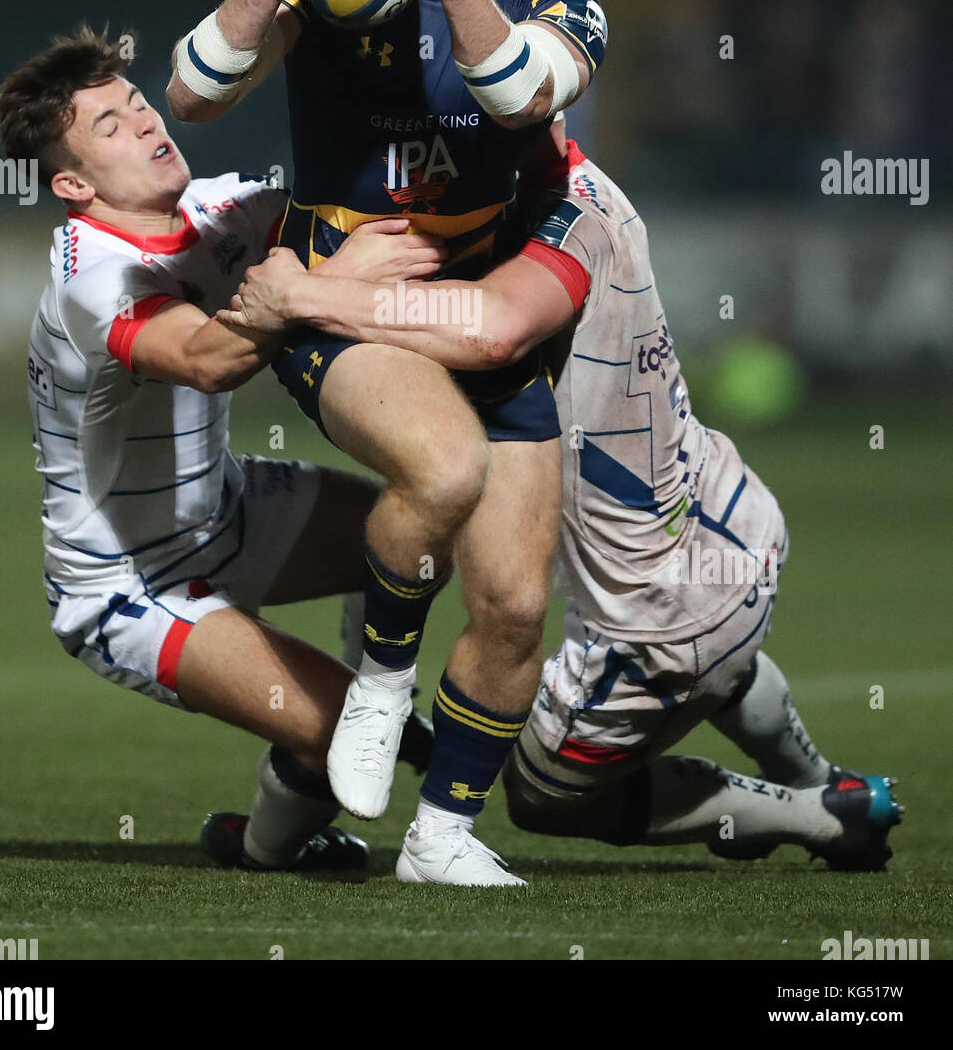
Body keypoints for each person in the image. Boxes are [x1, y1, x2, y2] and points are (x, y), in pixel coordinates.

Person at [220, 121, 903, 871]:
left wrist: (307, 295)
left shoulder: (562, 226)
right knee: (428, 512)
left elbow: (494, 331)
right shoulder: (578, 186)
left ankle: (812, 815)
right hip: (732, 517)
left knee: (538, 793)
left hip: (658, 616)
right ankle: (822, 781)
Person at [168, 0, 607, 885]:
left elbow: (516, 96)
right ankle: (378, 686)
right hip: (336, 301)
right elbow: (192, 92)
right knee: (443, 468)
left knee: (512, 601)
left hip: (476, 313)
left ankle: (442, 835)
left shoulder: (566, 7)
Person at [0, 26, 439, 877]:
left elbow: (329, 210)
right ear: (73, 182)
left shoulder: (213, 208)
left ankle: (308, 787)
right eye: (110, 126)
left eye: (137, 103)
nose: (147, 122)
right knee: (350, 733)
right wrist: (316, 283)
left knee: (420, 529)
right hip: (125, 585)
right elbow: (210, 361)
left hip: (227, 511)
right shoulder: (92, 278)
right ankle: (322, 790)